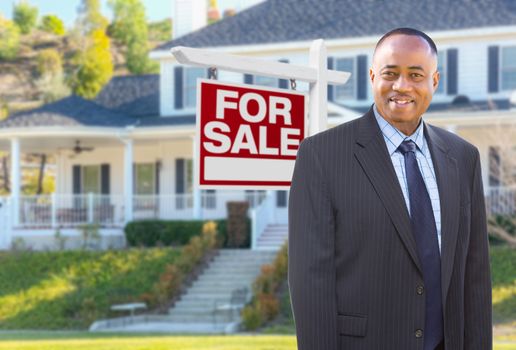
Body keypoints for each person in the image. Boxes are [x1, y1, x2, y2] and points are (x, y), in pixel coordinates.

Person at [288, 28, 492, 350]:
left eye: (415, 75)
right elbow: (311, 281)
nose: (401, 86)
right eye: (390, 73)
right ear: (372, 76)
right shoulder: (322, 155)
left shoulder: (464, 157)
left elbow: (475, 274)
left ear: (433, 82)